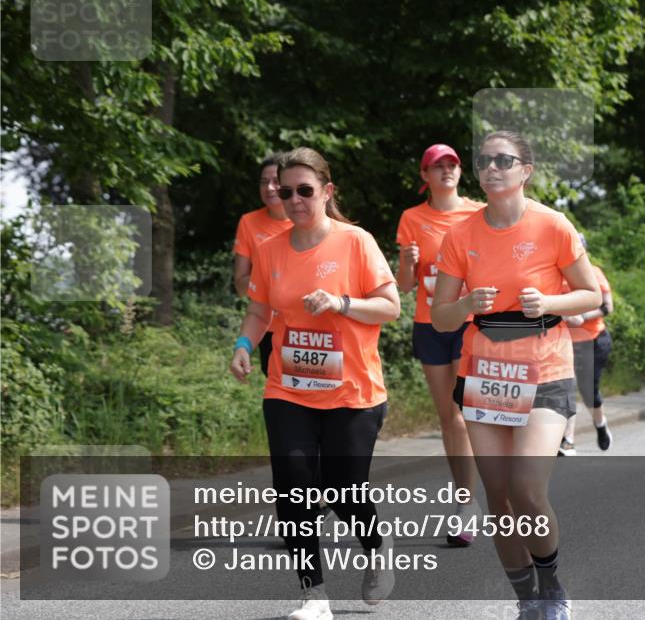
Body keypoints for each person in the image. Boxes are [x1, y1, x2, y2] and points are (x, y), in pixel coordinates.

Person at [431, 130, 601, 619]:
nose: (492, 167)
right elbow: (440, 316)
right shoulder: (461, 234)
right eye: (484, 160)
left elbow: (590, 295)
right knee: (500, 499)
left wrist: (548, 302)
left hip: (544, 370)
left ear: (526, 170)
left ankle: (553, 587)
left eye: (504, 160)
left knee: (527, 489)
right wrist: (464, 303)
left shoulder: (553, 225)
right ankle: (526, 600)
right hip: (484, 375)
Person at [229, 147, 400, 619]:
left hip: (353, 392)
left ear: (327, 192)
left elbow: (390, 307)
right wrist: (244, 346)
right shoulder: (269, 249)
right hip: (288, 387)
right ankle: (314, 595)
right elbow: (261, 310)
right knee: (293, 485)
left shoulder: (356, 242)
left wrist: (342, 304)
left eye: (305, 190)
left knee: (345, 489)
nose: (295, 199)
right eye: (286, 192)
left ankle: (375, 546)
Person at [395, 144, 485, 546]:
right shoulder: (412, 219)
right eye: (437, 166)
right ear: (425, 176)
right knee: (449, 417)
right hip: (430, 324)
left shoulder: (478, 213)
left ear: (459, 172)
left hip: (471, 322)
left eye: (452, 164)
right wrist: (407, 262)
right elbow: (403, 287)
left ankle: (478, 500)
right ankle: (466, 504)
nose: (446, 170)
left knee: (469, 414)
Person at [233, 154, 293, 376]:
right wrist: (274, 276)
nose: (269, 188)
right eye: (263, 182)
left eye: (276, 181)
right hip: (267, 326)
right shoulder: (249, 222)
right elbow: (240, 286)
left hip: (308, 327)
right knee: (280, 394)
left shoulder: (308, 222)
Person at [559, 239, 614, 455]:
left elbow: (607, 307)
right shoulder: (557, 274)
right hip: (565, 342)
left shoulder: (593, 272)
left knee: (587, 390)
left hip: (593, 339)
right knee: (566, 386)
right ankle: (568, 441)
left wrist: (582, 316)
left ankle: (600, 425)